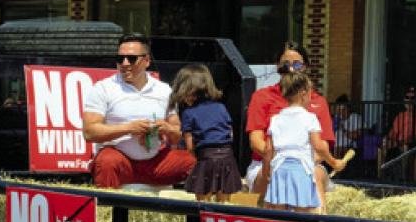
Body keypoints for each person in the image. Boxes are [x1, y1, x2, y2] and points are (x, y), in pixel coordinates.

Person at [83, 33, 196, 189]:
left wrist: (165, 128)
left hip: (155, 162)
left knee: (195, 163)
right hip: (120, 160)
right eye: (119, 59)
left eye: (131, 58)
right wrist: (129, 128)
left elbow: (177, 135)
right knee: (107, 161)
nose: (124, 63)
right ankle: (108, 209)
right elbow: (89, 132)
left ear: (146, 61)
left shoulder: (163, 90)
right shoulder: (103, 88)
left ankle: (197, 210)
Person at [244, 42, 335, 199]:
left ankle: (317, 221)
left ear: (305, 66)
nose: (291, 69)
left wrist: (299, 163)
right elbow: (256, 141)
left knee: (315, 176)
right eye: (286, 64)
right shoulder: (262, 96)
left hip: (308, 163)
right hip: (266, 162)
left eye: (297, 64)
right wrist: (282, 160)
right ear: (278, 66)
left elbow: (323, 146)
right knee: (273, 176)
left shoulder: (318, 101)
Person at [265, 73, 347, 212]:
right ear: (303, 94)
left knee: (279, 216)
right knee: (302, 215)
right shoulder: (310, 118)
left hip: (279, 170)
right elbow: (319, 146)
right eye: (310, 92)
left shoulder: (276, 119)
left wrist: (267, 172)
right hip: (301, 169)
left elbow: (268, 150)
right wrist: (333, 162)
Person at [169, 64, 241, 202]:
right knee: (224, 203)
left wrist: (196, 158)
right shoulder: (221, 107)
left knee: (203, 201)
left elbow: (190, 145)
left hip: (206, 158)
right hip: (227, 156)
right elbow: (230, 133)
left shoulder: (188, 113)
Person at [382, 86, 416, 182]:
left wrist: (401, 142)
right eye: (407, 98)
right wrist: (386, 139)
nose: (410, 100)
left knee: (405, 147)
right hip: (398, 143)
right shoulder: (400, 116)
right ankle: (381, 177)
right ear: (404, 100)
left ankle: (404, 178)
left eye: (412, 98)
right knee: (381, 148)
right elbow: (392, 133)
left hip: (414, 144)